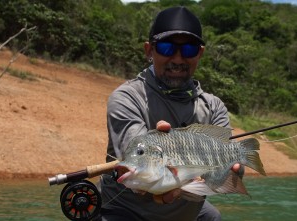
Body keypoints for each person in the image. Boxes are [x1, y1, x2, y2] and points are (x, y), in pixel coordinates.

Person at [98, 6, 241, 221]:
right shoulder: (127, 98)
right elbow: (136, 156)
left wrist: (231, 172)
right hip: (125, 211)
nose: (177, 58)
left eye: (189, 49)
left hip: (186, 211)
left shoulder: (214, 107)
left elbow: (226, 172)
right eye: (166, 47)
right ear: (149, 50)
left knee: (213, 217)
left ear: (200, 53)